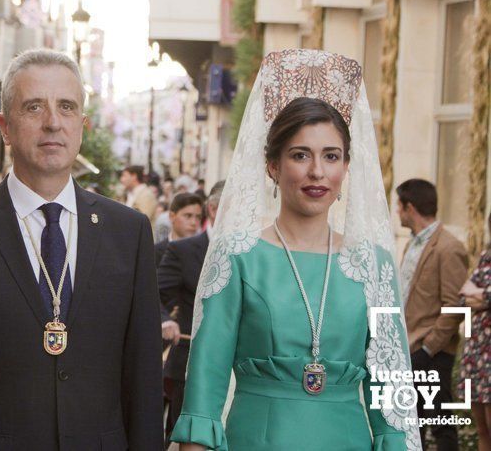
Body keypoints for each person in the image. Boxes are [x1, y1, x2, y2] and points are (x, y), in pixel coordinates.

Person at [0, 48, 164, 450]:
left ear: (83, 125)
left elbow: (144, 377)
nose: (52, 123)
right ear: (5, 127)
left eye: (66, 107)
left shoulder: (128, 233)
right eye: (34, 107)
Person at [172, 50, 419, 450]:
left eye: (331, 156)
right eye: (300, 155)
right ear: (272, 165)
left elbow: (391, 399)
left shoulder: (374, 264)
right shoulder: (237, 257)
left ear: (346, 167)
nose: (317, 171)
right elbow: (204, 390)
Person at [396, 178, 468, 451]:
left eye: (399, 206)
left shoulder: (450, 247)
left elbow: (455, 306)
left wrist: (428, 349)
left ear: (409, 207)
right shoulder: (412, 244)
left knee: (440, 424)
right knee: (412, 425)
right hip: (411, 348)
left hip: (433, 354)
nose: (397, 213)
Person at [158, 181, 222, 446]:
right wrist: (165, 320)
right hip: (189, 366)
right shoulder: (183, 251)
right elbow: (152, 294)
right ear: (214, 209)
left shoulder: (257, 252)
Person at [458, 211, 491, 451]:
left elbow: (476, 293)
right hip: (477, 354)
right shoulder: (486, 257)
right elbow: (462, 297)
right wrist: (483, 297)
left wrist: (481, 295)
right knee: (482, 429)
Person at [154, 192, 203, 269]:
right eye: (188, 216)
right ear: (172, 216)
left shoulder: (203, 252)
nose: (194, 222)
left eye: (198, 217)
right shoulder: (155, 252)